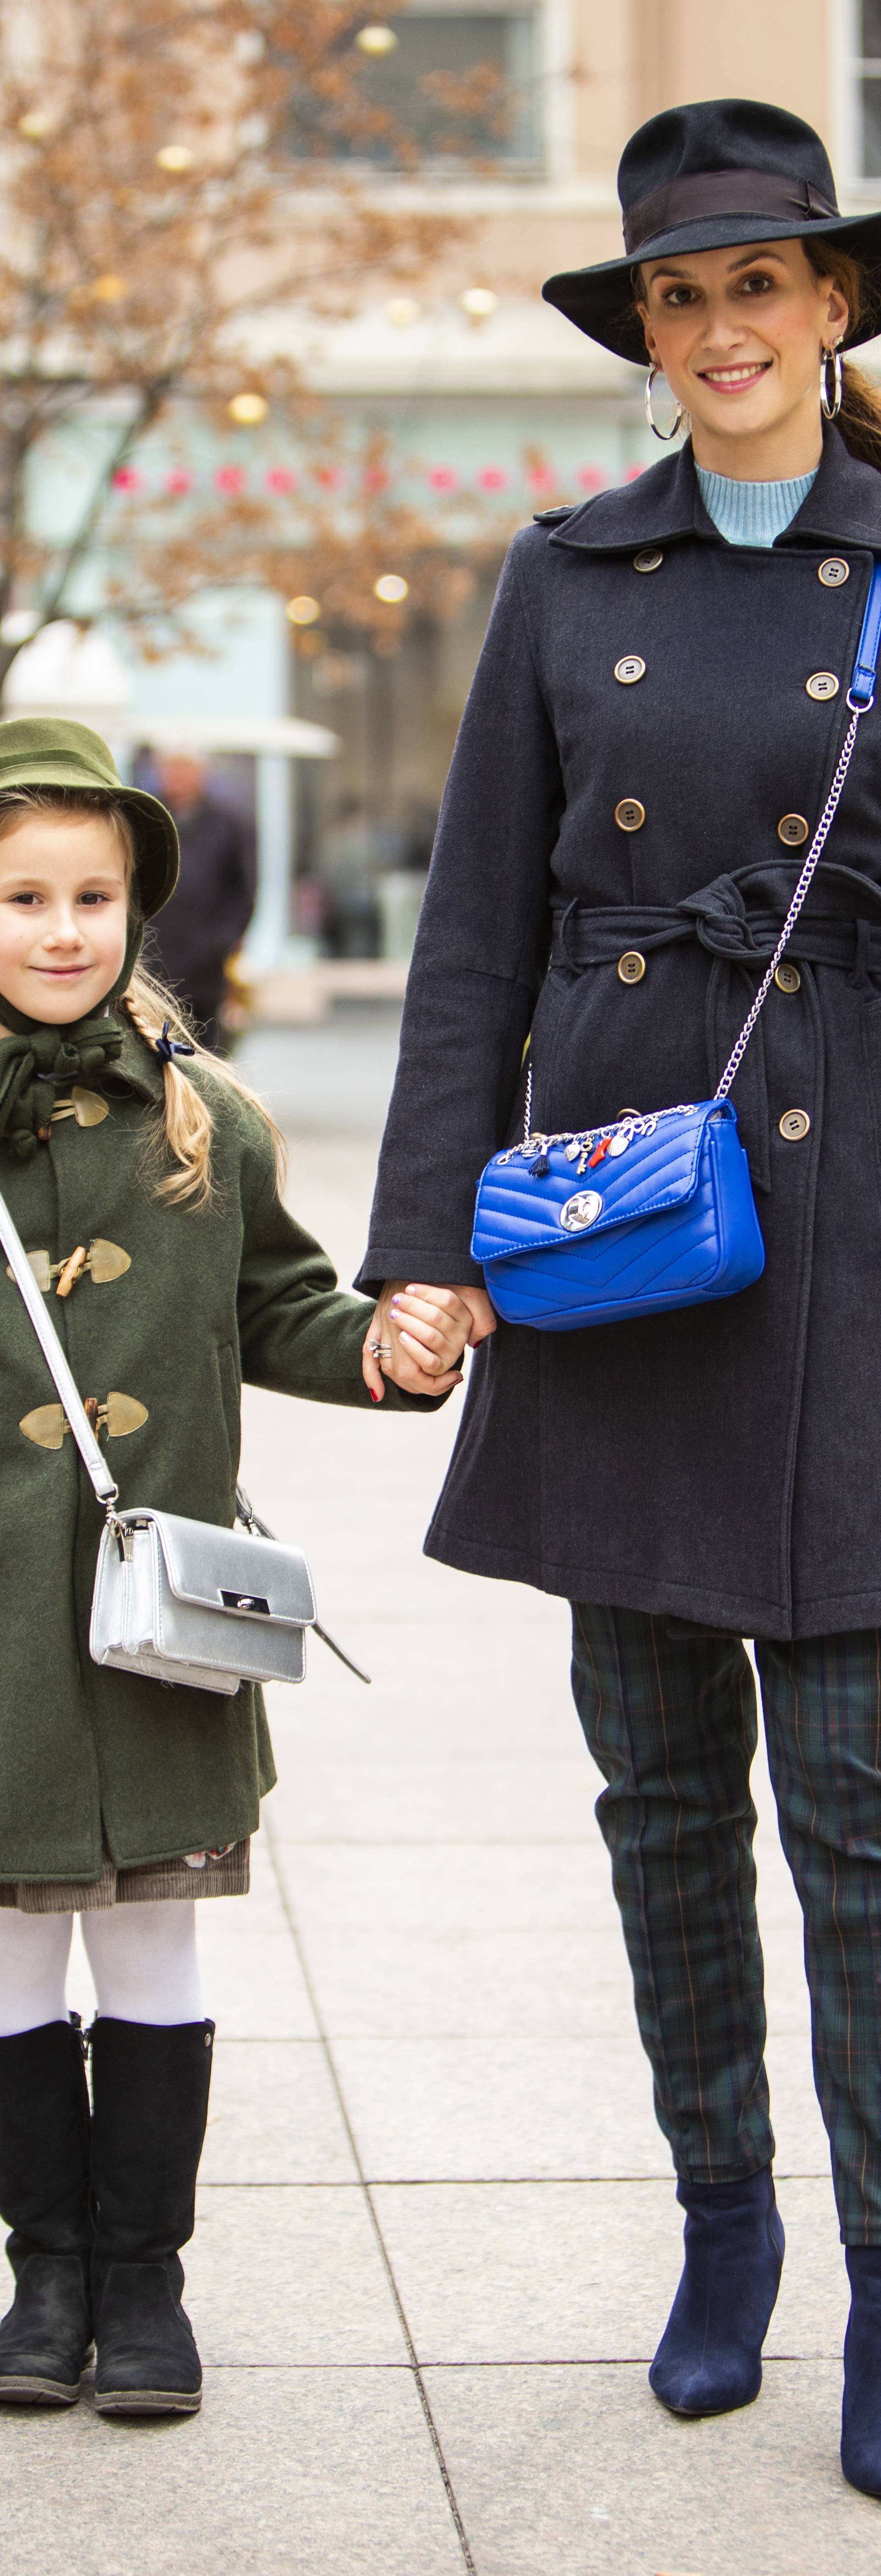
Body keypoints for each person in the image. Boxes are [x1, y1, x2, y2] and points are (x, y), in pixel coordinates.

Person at [355, 98, 881, 2499]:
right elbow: (472, 930)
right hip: (609, 1228)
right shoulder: (564, 575)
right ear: (645, 337)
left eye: (765, 281)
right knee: (660, 1804)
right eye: (683, 295)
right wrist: (426, 1251)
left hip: (860, 1238)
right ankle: (720, 2240)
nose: (727, 328)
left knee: (860, 1817)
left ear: (838, 306)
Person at [0, 714, 481, 2418]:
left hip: (153, 1628)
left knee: (150, 1954)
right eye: (22, 896)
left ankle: (145, 2289)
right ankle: (39, 2277)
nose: (60, 929)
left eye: (90, 896)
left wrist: (389, 1349)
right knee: (6, 1959)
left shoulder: (208, 1121)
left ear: (138, 908)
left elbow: (280, 1303)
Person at [145, 753, 256, 1049]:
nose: (177, 777)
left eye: (185, 768)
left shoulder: (229, 823)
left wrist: (221, 941)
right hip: (153, 957)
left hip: (205, 967)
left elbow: (244, 891)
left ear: (202, 773)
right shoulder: (146, 816)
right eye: (171, 768)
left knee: (204, 1048)